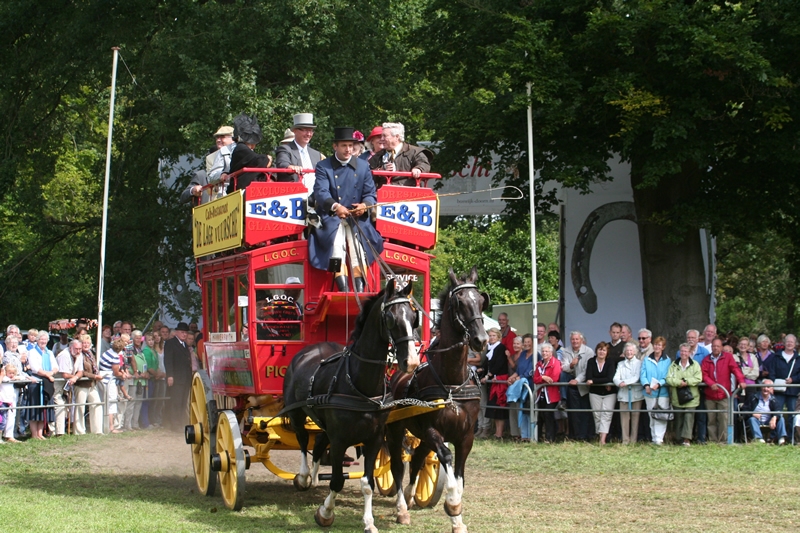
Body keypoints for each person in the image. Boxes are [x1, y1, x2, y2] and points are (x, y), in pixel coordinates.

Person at [309, 127, 384, 293]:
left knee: (359, 247)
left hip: (357, 217)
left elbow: (370, 193)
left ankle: (359, 288)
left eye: (351, 145)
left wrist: (365, 206)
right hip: (332, 216)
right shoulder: (323, 166)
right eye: (344, 145)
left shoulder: (363, 166)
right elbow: (321, 193)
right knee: (336, 245)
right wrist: (336, 207)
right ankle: (342, 289)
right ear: (335, 146)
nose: (348, 149)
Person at [701, 338, 746, 443]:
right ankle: (712, 440)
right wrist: (711, 383)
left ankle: (723, 441)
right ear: (711, 347)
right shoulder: (706, 359)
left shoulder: (728, 357)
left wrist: (741, 380)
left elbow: (735, 369)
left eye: (718, 346)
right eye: (714, 346)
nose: (716, 348)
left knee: (724, 419)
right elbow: (704, 374)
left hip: (724, 394)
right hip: (710, 394)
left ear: (721, 347)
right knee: (711, 419)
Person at [368, 122, 432, 187]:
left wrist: (419, 169)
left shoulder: (415, 152)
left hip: (409, 194)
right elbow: (367, 175)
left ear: (397, 137)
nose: (382, 139)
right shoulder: (377, 156)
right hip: (384, 194)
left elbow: (424, 164)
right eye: (382, 136)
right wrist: (380, 171)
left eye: (385, 136)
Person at [667, 343, 703, 446]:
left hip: (691, 397)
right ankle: (678, 439)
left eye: (686, 351)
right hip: (677, 397)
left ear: (689, 352)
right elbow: (669, 378)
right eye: (682, 351)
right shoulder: (673, 364)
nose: (683, 353)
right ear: (679, 352)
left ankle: (687, 439)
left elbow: (698, 378)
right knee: (678, 419)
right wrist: (678, 383)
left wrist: (686, 381)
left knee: (689, 418)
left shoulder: (695, 364)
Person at [275, 112, 323, 189]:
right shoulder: (285, 149)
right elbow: (282, 164)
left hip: (315, 198)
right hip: (294, 197)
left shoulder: (316, 154)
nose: (309, 134)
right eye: (305, 130)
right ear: (295, 131)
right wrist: (290, 167)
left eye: (311, 130)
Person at [226, 113, 272, 191]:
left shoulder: (242, 148)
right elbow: (260, 160)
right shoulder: (241, 148)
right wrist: (268, 158)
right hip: (240, 189)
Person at [640, 336, 672, 445]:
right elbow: (643, 374)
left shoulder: (667, 360)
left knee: (661, 416)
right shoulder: (647, 359)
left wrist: (659, 384)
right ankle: (654, 438)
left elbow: (667, 376)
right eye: (655, 344)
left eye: (659, 345)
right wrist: (646, 385)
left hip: (662, 393)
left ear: (663, 347)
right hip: (649, 393)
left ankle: (659, 439)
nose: (657, 347)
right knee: (652, 416)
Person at [27, 331, 58, 440]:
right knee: (35, 408)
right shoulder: (32, 352)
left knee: (43, 409)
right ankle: (34, 434)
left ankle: (40, 434)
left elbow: (55, 366)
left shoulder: (49, 353)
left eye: (45, 339)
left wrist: (50, 374)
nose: (43, 341)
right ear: (37, 340)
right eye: (41, 339)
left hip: (47, 382)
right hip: (36, 381)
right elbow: (35, 368)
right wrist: (48, 375)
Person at [564, 331, 595, 442]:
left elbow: (587, 370)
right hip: (571, 387)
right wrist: (572, 364)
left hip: (584, 386)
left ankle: (586, 436)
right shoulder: (566, 350)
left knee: (585, 412)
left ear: (582, 340)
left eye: (577, 339)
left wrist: (577, 380)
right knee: (573, 413)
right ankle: (575, 435)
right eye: (573, 339)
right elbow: (564, 367)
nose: (575, 341)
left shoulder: (589, 351)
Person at [585, 341, 618, 445]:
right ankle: (600, 436)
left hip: (609, 393)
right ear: (596, 350)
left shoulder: (610, 362)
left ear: (607, 352)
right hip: (595, 393)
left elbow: (610, 377)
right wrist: (603, 381)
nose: (601, 352)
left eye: (604, 350)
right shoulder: (591, 361)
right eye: (600, 349)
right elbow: (588, 377)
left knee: (606, 415)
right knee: (597, 415)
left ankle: (602, 440)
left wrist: (595, 381)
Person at [480, 328, 510, 439]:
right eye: (490, 335)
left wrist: (489, 375)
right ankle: (497, 433)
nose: (491, 337)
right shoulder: (490, 348)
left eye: (493, 335)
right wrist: (482, 370)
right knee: (494, 407)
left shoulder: (500, 348)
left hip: (500, 380)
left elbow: (498, 364)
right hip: (493, 380)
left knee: (499, 406)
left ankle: (499, 433)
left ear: (498, 337)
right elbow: (488, 364)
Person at [768, 333, 800, 432]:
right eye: (788, 341)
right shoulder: (776, 357)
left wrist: (793, 379)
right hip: (778, 389)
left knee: (792, 414)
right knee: (776, 413)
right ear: (784, 343)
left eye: (792, 342)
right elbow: (771, 372)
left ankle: (791, 437)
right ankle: (776, 436)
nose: (789, 344)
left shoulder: (798, 359)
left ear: (795, 344)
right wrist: (772, 385)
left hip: (793, 390)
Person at [164, 322, 193, 430]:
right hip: (176, 377)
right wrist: (170, 375)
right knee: (176, 400)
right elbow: (168, 360)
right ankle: (174, 423)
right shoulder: (170, 343)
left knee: (183, 401)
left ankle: (181, 422)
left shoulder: (185, 345)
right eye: (182, 332)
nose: (184, 334)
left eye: (185, 333)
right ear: (176, 332)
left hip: (185, 377)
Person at [613, 342, 643, 444]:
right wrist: (619, 383)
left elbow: (636, 377)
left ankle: (633, 440)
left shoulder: (639, 363)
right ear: (624, 352)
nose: (629, 352)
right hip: (624, 394)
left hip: (636, 394)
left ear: (634, 352)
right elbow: (616, 377)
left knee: (635, 418)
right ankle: (625, 440)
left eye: (631, 350)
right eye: (627, 350)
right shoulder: (620, 364)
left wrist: (625, 382)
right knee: (624, 418)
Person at [507, 334, 535, 442]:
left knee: (528, 411)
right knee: (521, 411)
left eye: (529, 342)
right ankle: (524, 435)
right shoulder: (523, 354)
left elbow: (530, 371)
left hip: (530, 386)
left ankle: (531, 435)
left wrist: (518, 378)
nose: (527, 344)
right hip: (520, 385)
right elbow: (518, 370)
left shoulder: (536, 355)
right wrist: (512, 377)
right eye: (525, 342)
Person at [53, 339, 84, 436]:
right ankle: (59, 432)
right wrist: (74, 377)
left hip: (69, 383)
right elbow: (65, 374)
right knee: (59, 405)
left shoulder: (79, 355)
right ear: (70, 348)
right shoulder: (64, 355)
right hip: (58, 383)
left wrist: (75, 377)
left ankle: (67, 429)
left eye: (80, 349)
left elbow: (81, 371)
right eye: (76, 349)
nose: (78, 351)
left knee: (68, 407)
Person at [533, 343, 562, 443]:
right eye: (543, 351)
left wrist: (541, 378)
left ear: (551, 353)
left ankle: (550, 438)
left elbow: (553, 379)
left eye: (546, 351)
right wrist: (543, 377)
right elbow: (535, 379)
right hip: (541, 393)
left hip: (552, 394)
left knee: (548, 414)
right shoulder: (539, 363)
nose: (544, 353)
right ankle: (540, 437)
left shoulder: (556, 363)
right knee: (541, 415)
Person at [743, 379, 787, 444]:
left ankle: (781, 439)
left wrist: (774, 417)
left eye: (768, 387)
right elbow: (744, 410)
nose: (765, 389)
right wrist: (752, 414)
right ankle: (759, 439)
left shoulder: (773, 399)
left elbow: (778, 410)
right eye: (764, 386)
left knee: (781, 419)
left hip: (768, 421)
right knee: (752, 419)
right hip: (756, 420)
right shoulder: (753, 397)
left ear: (771, 389)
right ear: (761, 387)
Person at [75, 334, 103, 435]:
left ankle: (97, 430)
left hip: (92, 384)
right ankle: (79, 431)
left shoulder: (91, 354)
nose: (86, 345)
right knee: (80, 407)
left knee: (97, 404)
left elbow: (94, 367)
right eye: (84, 343)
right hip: (81, 384)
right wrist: (94, 376)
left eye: (87, 343)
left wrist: (97, 375)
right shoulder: (79, 355)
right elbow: (82, 372)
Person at [99, 337, 128, 434]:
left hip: (102, 378)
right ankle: (111, 427)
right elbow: (116, 372)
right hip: (108, 380)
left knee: (105, 402)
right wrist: (123, 375)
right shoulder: (114, 356)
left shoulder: (107, 352)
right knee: (111, 403)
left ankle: (106, 426)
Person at [507, 336, 523, 441]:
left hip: (520, 383)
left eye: (518, 344)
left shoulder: (523, 356)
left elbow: (516, 368)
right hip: (511, 385)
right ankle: (514, 433)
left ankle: (522, 433)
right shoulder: (513, 356)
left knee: (519, 409)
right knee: (512, 409)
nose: (515, 346)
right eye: (514, 344)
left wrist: (508, 358)